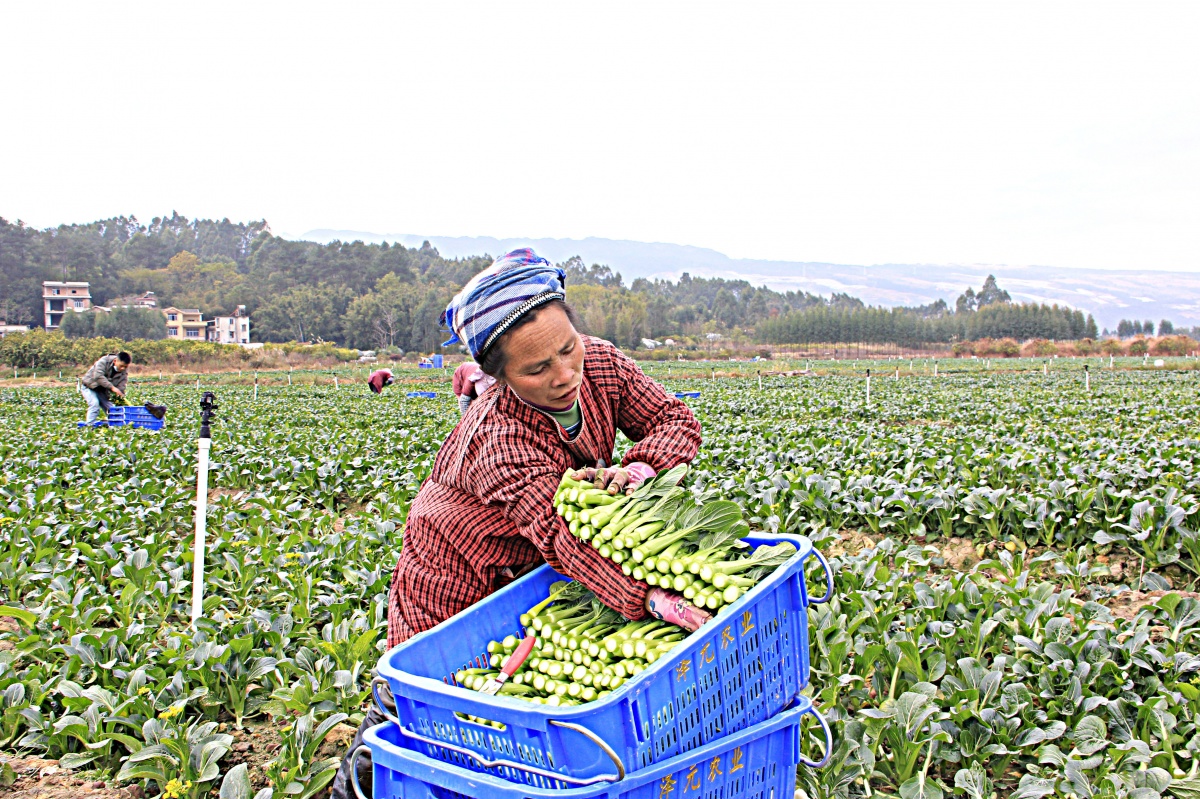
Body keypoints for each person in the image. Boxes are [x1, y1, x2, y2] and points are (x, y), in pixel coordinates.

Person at [330, 249, 705, 799]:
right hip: (456, 580)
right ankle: (354, 789)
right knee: (417, 711)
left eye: (568, 348)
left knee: (510, 730)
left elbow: (674, 418)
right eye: (536, 369)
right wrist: (655, 600)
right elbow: (562, 535)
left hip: (529, 579)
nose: (564, 374)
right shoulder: (500, 436)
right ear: (498, 376)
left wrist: (642, 465)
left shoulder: (601, 364)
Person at [80, 351, 131, 423]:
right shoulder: (103, 361)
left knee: (112, 409)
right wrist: (112, 388)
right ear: (115, 361)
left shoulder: (124, 372)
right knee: (94, 404)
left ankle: (116, 424)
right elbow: (98, 376)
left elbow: (121, 385)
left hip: (102, 390)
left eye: (125, 367)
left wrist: (120, 396)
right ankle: (89, 426)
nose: (123, 368)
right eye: (121, 366)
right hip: (89, 386)